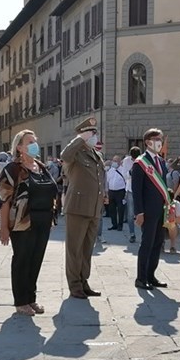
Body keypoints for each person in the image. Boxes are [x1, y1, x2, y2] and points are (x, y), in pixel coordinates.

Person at [0, 130, 58, 316]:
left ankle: (31, 298)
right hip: (22, 222)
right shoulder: (13, 169)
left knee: (36, 260)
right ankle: (20, 301)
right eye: (29, 141)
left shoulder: (41, 166)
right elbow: (4, 200)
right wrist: (3, 227)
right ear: (19, 147)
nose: (34, 144)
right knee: (22, 260)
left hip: (43, 220)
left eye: (35, 140)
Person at [60, 117, 107, 299]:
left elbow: (99, 177)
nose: (94, 136)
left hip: (94, 208)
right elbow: (64, 156)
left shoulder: (97, 155)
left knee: (87, 249)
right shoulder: (75, 153)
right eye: (91, 133)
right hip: (77, 207)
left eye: (94, 133)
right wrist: (79, 139)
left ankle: (84, 281)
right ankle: (74, 285)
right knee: (75, 249)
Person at [132, 128, 170, 290]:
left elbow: (163, 185)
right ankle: (141, 278)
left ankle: (151, 275)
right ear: (148, 142)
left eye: (161, 139)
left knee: (158, 243)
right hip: (147, 210)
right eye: (156, 139)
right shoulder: (140, 162)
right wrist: (139, 212)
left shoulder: (161, 161)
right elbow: (136, 190)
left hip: (161, 209)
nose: (160, 142)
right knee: (147, 243)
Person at [121, 147, 140, 243]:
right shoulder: (126, 161)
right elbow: (124, 175)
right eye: (133, 159)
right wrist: (131, 171)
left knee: (142, 212)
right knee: (130, 214)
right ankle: (132, 234)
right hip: (130, 189)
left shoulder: (142, 160)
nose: (134, 160)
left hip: (141, 190)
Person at [106, 155, 127, 231]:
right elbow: (108, 180)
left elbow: (126, 180)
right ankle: (114, 224)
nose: (114, 162)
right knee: (112, 209)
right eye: (113, 160)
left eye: (116, 161)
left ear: (119, 162)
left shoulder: (123, 170)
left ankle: (120, 225)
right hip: (111, 191)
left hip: (120, 191)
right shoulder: (110, 170)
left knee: (120, 209)